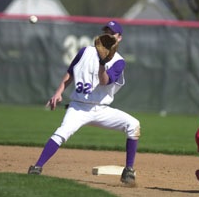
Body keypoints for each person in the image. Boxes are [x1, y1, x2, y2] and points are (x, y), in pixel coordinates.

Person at [28, 21, 140, 185]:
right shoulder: (85, 51)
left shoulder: (118, 61)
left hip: (101, 109)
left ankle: (128, 170)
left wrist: (102, 63)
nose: (109, 35)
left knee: (133, 125)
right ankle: (37, 167)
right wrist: (59, 92)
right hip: (78, 107)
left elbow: (104, 82)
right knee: (62, 133)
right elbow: (70, 73)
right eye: (106, 31)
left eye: (112, 33)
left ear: (119, 38)